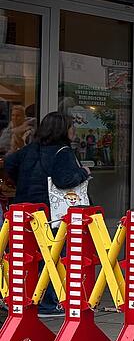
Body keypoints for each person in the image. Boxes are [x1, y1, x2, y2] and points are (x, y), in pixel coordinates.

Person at [4, 111, 90, 317]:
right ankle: (49, 303)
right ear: (63, 130)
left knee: (30, 257)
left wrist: (21, 182)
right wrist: (84, 173)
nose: (74, 130)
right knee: (54, 257)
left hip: (26, 210)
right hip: (51, 213)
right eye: (71, 126)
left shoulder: (30, 149)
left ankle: (24, 298)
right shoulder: (63, 151)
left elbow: (9, 163)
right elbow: (64, 180)